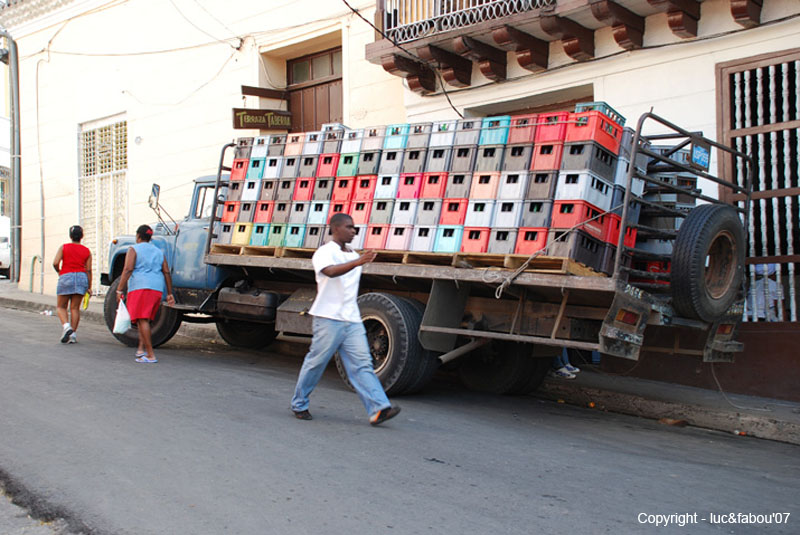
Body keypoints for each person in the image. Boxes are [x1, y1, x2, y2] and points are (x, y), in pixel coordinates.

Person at [290, 213, 401, 426]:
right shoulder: (324, 252)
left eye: (355, 228)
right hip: (328, 318)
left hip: (351, 320)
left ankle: (379, 409)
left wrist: (359, 259)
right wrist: (359, 261)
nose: (354, 232)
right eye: (350, 227)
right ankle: (299, 404)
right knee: (316, 363)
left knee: (362, 365)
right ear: (335, 228)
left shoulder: (352, 254)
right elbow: (330, 272)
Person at [115, 224, 175, 363]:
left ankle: (150, 354)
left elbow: (128, 269)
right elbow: (166, 271)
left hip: (140, 287)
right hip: (156, 289)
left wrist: (119, 289)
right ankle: (141, 349)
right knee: (145, 320)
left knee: (142, 319)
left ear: (138, 236)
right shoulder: (159, 251)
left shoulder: (133, 249)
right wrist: (169, 293)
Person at [52, 225, 92, 343]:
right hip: (81, 277)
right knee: (75, 308)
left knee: (61, 307)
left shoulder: (64, 248)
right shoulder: (87, 251)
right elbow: (89, 270)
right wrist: (89, 287)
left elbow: (55, 262)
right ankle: (73, 335)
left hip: (66, 276)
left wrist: (59, 271)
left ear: (70, 236)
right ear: (82, 236)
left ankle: (66, 327)